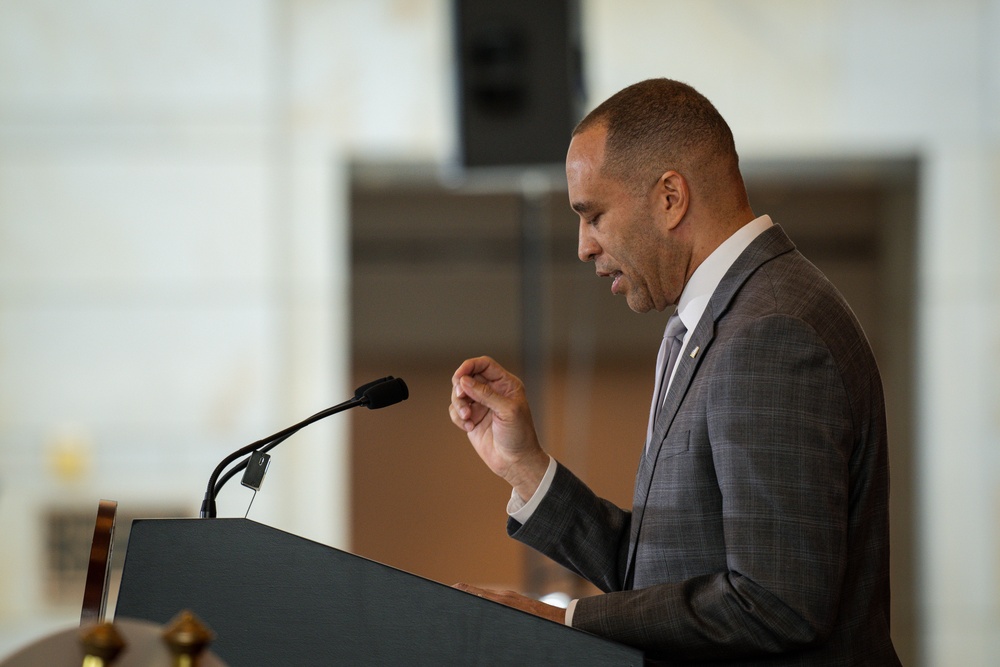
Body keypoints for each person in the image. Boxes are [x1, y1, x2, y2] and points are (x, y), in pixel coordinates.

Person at [448, 78, 900, 665]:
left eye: (594, 214)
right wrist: (526, 469)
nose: (583, 246)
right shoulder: (706, 324)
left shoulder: (771, 330)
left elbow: (776, 602)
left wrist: (565, 619)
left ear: (669, 198)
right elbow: (660, 570)